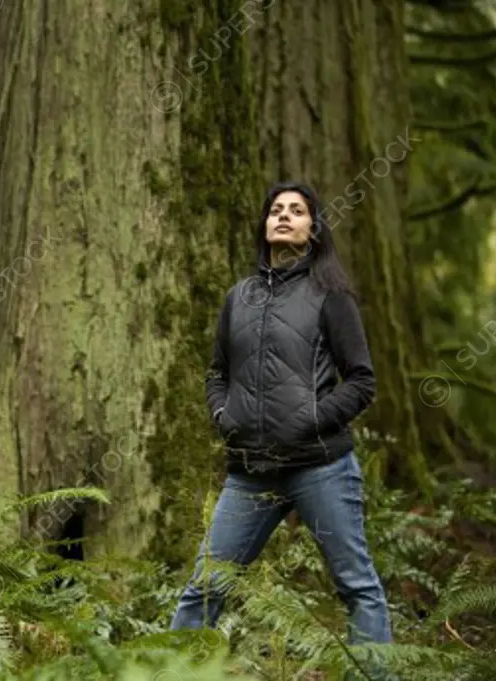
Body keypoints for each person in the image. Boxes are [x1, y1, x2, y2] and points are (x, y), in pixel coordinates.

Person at [169, 182, 392, 675]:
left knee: (357, 587)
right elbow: (216, 373)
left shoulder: (330, 296)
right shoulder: (237, 298)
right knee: (204, 590)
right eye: (276, 210)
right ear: (265, 225)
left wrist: (311, 420)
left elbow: (361, 381)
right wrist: (224, 416)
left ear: (314, 229)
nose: (284, 216)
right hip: (249, 472)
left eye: (297, 210)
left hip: (321, 466)